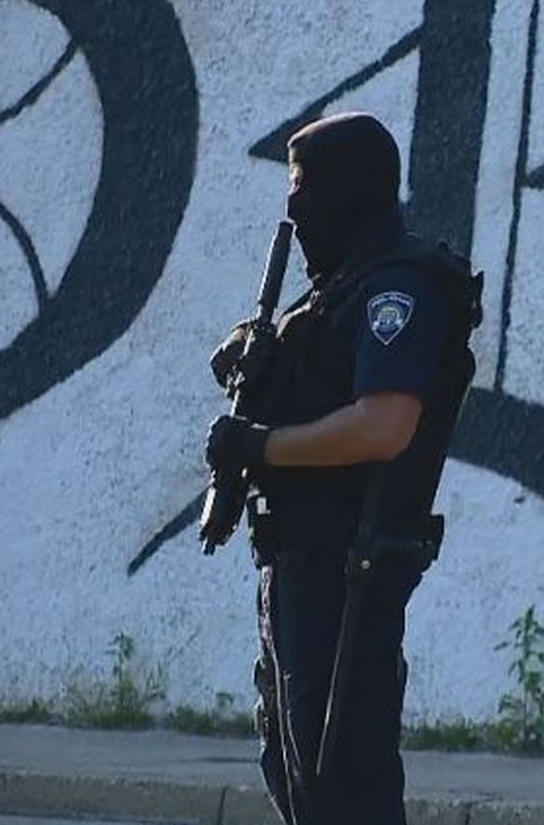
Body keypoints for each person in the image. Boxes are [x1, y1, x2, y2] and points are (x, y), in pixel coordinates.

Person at [205, 112, 479, 824]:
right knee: (298, 778)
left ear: (348, 190)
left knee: (343, 786)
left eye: (304, 187)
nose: (294, 208)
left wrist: (261, 446)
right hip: (299, 564)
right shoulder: (335, 290)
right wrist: (251, 356)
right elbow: (314, 377)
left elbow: (385, 425)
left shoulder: (396, 290)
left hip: (347, 571)